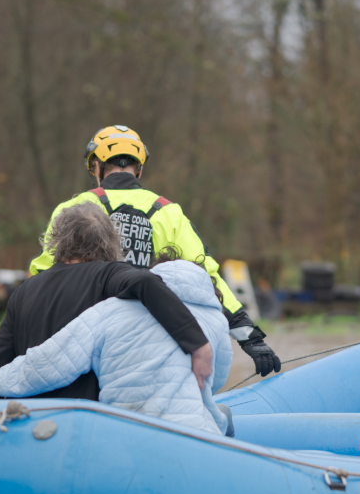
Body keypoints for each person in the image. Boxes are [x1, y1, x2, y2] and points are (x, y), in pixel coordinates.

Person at [28, 125, 281, 378]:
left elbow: (43, 274)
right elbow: (205, 276)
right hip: (145, 340)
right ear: (139, 168)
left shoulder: (73, 208)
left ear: (96, 166)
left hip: (81, 340)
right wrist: (249, 337)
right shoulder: (168, 212)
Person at [0, 203, 213, 400]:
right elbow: (145, 282)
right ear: (110, 240)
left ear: (57, 241)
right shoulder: (108, 275)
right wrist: (197, 344)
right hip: (88, 423)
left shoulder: (24, 290)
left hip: (34, 421)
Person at [0, 248, 233, 435]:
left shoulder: (111, 309)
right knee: (221, 417)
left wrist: (2, 379)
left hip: (123, 432)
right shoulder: (216, 321)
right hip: (194, 434)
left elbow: (52, 361)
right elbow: (215, 379)